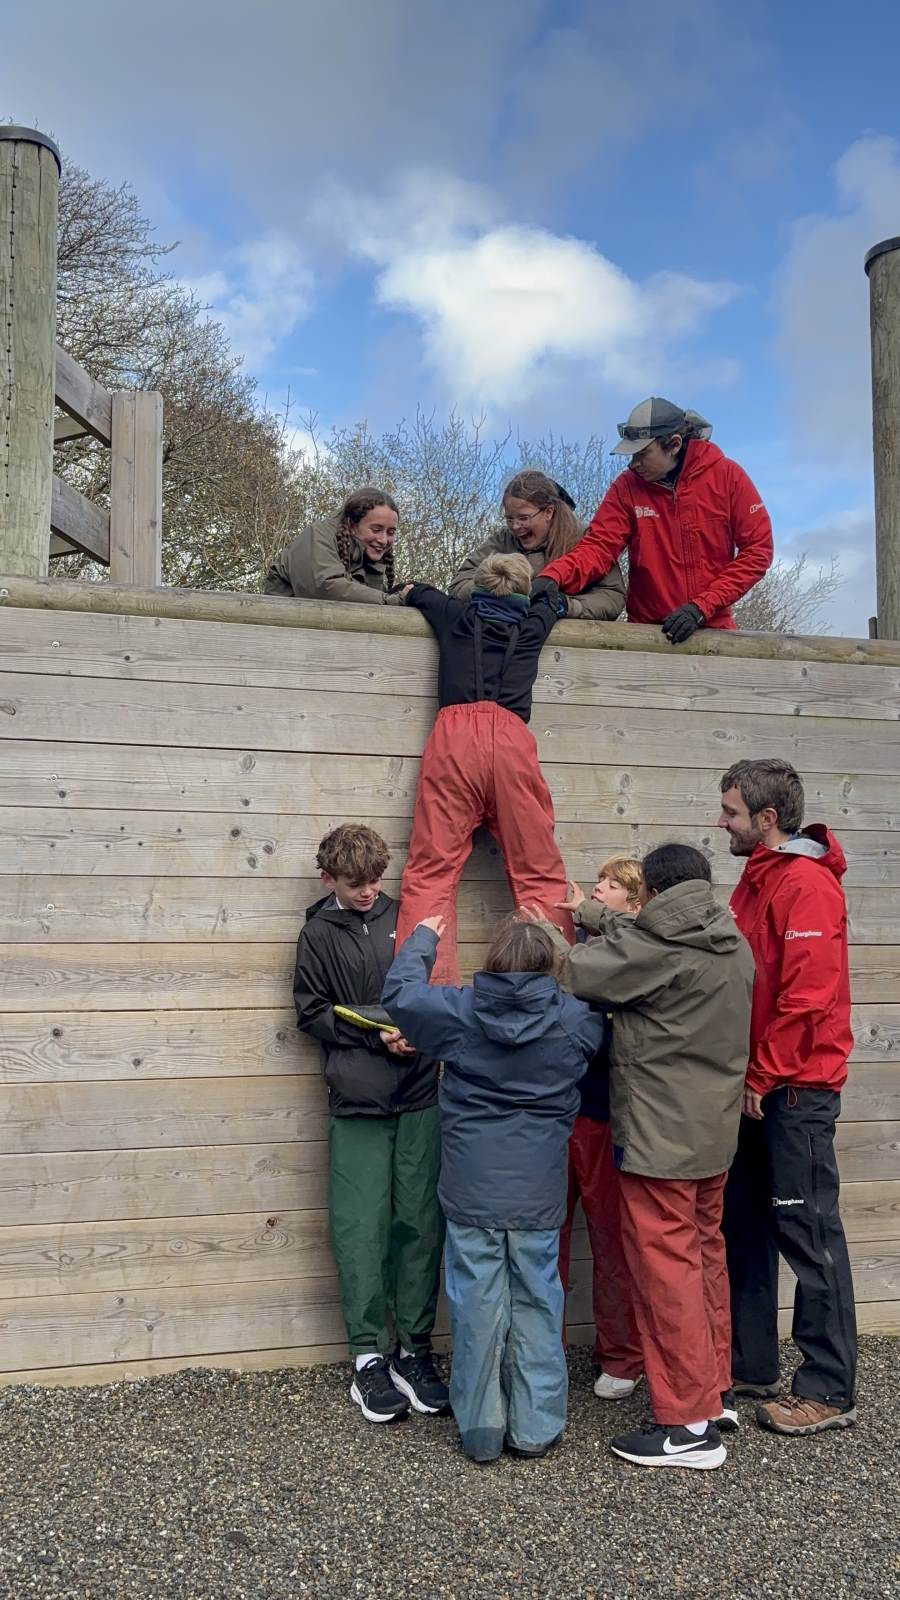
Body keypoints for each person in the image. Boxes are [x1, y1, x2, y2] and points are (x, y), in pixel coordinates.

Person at [544, 843, 755, 1470]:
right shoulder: (731, 941)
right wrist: (593, 913)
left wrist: (544, 935)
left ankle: (688, 1428)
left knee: (667, 1276)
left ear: (654, 894)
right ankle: (714, 1394)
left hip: (660, 1141)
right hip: (712, 1136)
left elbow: (578, 971)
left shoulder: (659, 951)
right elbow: (639, 940)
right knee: (705, 1259)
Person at [382, 913, 606, 1463]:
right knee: (537, 1303)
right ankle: (534, 1429)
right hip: (538, 1189)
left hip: (472, 1188)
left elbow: (400, 994)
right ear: (548, 966)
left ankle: (481, 1431)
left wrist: (425, 937)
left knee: (477, 1306)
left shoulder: (458, 1012)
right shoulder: (577, 1019)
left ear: (495, 962)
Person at [717, 758, 858, 1436]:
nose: (723, 822)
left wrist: (763, 1075)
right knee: (743, 1225)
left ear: (767, 819)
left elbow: (807, 995)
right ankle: (750, 1364)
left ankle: (828, 1389)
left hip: (795, 1088)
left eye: (732, 812)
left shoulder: (805, 884)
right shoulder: (758, 877)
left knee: (809, 1233)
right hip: (756, 1084)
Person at [292, 823, 448, 1424]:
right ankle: (367, 1356)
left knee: (419, 1223)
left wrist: (419, 1032)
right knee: (361, 1227)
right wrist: (378, 1034)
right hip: (357, 1097)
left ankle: (414, 1351)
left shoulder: (407, 918)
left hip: (419, 1093)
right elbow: (311, 1011)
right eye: (356, 882)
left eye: (376, 880)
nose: (368, 891)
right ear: (327, 877)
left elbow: (438, 989)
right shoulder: (317, 933)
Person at [395, 551, 570, 985]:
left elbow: (418, 593)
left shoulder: (454, 615)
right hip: (511, 744)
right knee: (539, 873)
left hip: (453, 743)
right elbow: (553, 600)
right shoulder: (532, 624)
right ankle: (555, 991)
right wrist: (548, 595)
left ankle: (421, 997)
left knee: (431, 872)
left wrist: (412, 590)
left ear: (477, 588)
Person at [534, 399, 773, 642]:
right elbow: (598, 547)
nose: (633, 463)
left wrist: (702, 607)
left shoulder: (728, 477)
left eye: (642, 453)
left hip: (714, 630)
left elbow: (757, 551)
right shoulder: (626, 487)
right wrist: (553, 576)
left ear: (674, 444)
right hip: (648, 633)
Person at [558, 855, 643, 1400]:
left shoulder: (639, 956)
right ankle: (542, 1354)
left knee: (612, 1241)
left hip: (607, 1117)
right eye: (599, 882)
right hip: (555, 1114)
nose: (596, 889)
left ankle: (622, 1356)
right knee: (548, 1238)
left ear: (634, 902)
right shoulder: (579, 948)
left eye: (611, 885)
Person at [448, 470, 625, 621]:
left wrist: (566, 605)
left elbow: (612, 596)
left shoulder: (585, 539)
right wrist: (496, 588)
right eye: (509, 519)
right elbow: (459, 584)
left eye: (523, 518)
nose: (515, 526)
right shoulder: (503, 540)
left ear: (548, 512)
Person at [264, 487, 400, 603]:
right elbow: (325, 588)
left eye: (391, 532)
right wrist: (391, 600)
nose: (383, 540)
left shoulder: (367, 556)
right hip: (281, 623)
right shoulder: (318, 536)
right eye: (376, 529)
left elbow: (370, 598)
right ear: (352, 524)